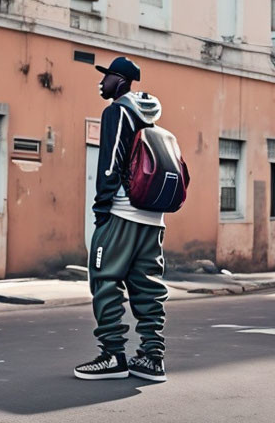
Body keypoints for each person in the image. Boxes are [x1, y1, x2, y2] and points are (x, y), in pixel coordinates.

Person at [74, 56, 168, 383]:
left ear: (122, 82)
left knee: (103, 279)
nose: (102, 83)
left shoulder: (118, 111)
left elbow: (111, 161)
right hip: (153, 219)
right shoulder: (151, 117)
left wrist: (101, 209)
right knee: (147, 286)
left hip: (121, 213)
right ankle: (153, 358)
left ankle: (113, 355)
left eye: (108, 77)